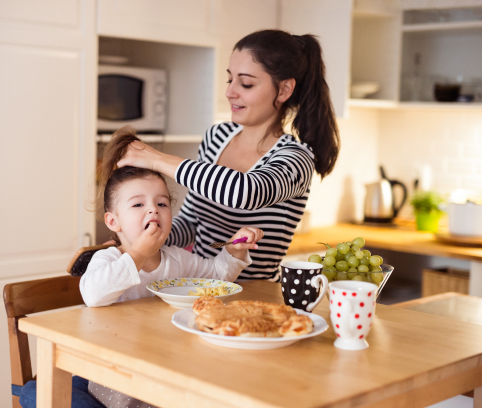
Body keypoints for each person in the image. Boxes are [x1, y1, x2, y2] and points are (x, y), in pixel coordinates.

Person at [117, 29, 340, 282]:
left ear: (284, 89)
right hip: (199, 292)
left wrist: (155, 158)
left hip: (256, 300)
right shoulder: (217, 137)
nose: (230, 92)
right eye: (229, 80)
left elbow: (245, 192)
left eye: (246, 83)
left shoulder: (296, 159)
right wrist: (132, 243)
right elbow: (191, 223)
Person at [78, 125, 263, 407]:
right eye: (138, 205)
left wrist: (233, 251)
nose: (153, 210)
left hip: (167, 368)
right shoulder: (109, 259)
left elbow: (215, 277)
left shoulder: (177, 258)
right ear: (113, 222)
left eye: (162, 204)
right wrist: (138, 254)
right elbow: (93, 294)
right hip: (117, 377)